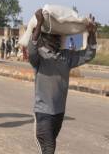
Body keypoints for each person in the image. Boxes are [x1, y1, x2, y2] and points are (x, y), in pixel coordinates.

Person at [28, 9, 97, 154]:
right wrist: (40, 23)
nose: (57, 39)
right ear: (44, 38)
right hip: (43, 114)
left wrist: (91, 33)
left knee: (50, 148)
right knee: (48, 149)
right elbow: (32, 49)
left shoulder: (66, 57)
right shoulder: (39, 58)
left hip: (59, 112)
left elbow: (88, 54)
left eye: (58, 37)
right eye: (53, 36)